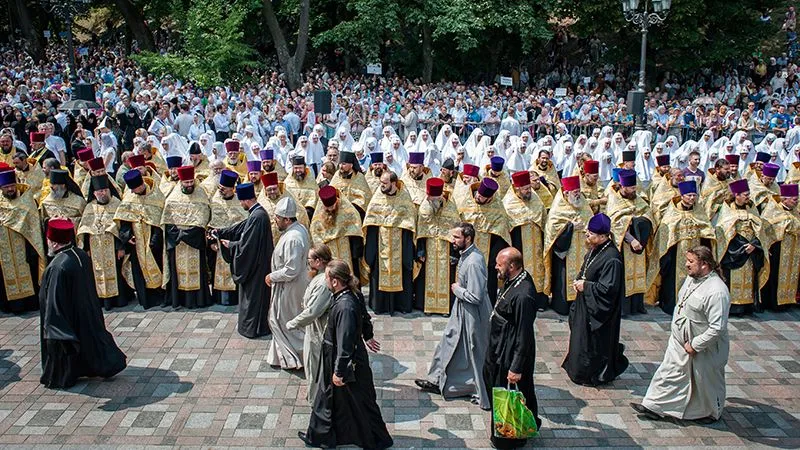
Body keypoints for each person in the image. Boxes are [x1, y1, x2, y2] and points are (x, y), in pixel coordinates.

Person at [300, 259, 392, 450]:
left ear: (335, 281)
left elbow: (345, 342)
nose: (324, 281)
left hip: (344, 361)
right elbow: (365, 317)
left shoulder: (345, 307)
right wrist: (368, 336)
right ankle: (320, 437)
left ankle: (377, 439)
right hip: (341, 358)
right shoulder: (351, 295)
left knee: (361, 401)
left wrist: (339, 371)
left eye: (326, 278)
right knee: (327, 399)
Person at [632, 246, 730, 424]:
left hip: (703, 346)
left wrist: (695, 344)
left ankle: (710, 412)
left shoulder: (717, 291)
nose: (686, 264)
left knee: (703, 380)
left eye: (691, 262)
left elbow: (717, 328)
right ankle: (653, 405)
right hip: (679, 341)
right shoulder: (692, 279)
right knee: (669, 371)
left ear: (705, 265)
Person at [39, 218, 127, 389]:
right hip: (85, 312)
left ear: (54, 243)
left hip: (68, 318)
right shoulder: (79, 254)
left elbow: (54, 301)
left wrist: (53, 328)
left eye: (49, 240)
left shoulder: (58, 266)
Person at [415, 222, 492, 409]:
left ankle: (474, 388)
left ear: (468, 238)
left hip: (473, 315)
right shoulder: (466, 255)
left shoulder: (474, 262)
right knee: (448, 343)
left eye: (456, 237)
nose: (452, 241)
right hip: (462, 310)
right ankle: (436, 379)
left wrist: (457, 290)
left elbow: (476, 296)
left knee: (472, 352)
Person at [562, 213, 629, 386]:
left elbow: (608, 290)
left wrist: (586, 286)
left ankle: (591, 374)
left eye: (590, 234)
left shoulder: (612, 259)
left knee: (593, 344)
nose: (587, 235)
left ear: (602, 236)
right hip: (585, 305)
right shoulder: (596, 249)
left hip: (598, 312)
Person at [484, 247, 540, 449]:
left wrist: (516, 367)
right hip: (501, 345)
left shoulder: (524, 296)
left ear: (513, 266)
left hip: (512, 351)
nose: (496, 267)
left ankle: (510, 438)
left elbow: (524, 334)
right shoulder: (512, 280)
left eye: (500, 264)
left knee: (512, 393)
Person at [647, 180, 716, 315]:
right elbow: (665, 234)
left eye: (694, 195)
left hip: (696, 254)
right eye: (689, 195)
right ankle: (671, 306)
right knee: (672, 282)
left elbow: (706, 229)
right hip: (675, 255)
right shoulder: (673, 213)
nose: (692, 198)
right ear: (682, 195)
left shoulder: (699, 211)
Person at [215, 182, 274, 338]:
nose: (240, 204)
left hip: (257, 266)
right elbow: (241, 227)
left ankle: (253, 329)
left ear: (246, 200)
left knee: (254, 299)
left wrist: (231, 245)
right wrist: (221, 232)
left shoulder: (257, 216)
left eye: (241, 201)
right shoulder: (257, 213)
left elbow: (248, 246)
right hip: (258, 263)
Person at [363, 171, 417, 314]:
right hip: (380, 244)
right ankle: (380, 306)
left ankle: (401, 305)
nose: (381, 186)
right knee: (379, 272)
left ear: (393, 183)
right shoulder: (377, 198)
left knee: (403, 271)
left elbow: (410, 222)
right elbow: (370, 222)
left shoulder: (404, 198)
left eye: (385, 183)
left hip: (401, 244)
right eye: (381, 182)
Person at [713, 179, 769, 315]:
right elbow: (723, 232)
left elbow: (760, 230)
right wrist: (740, 247)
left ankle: (748, 306)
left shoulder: (752, 209)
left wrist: (754, 245)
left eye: (748, 194)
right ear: (736, 195)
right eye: (745, 194)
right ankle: (733, 307)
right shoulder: (727, 211)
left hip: (750, 252)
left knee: (749, 279)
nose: (748, 197)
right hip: (734, 251)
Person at [265, 196, 309, 369]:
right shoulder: (299, 229)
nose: (275, 221)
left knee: (286, 322)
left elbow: (291, 270)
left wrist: (271, 276)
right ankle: (281, 357)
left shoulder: (293, 238)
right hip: (291, 284)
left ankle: (297, 357)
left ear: (287, 219)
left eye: (277, 218)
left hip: (291, 286)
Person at [76, 175, 132, 310]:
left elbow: (123, 227)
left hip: (113, 248)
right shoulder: (90, 207)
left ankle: (119, 300)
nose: (103, 193)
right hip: (95, 249)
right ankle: (102, 300)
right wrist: (87, 249)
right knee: (97, 273)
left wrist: (121, 247)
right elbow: (85, 230)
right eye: (99, 191)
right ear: (94, 193)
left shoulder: (117, 204)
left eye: (105, 190)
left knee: (116, 273)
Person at [287, 244, 334, 404]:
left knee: (315, 369)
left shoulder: (323, 283)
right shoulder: (320, 276)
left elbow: (313, 311)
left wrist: (292, 323)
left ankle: (317, 403)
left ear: (319, 261)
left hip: (317, 332)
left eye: (309, 259)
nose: (307, 262)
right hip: (313, 329)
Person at [161, 165, 212, 309]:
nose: (189, 185)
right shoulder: (172, 198)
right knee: (178, 272)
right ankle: (179, 300)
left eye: (191, 182)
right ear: (181, 182)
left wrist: (187, 234)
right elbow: (167, 221)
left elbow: (203, 218)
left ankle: (200, 300)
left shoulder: (201, 195)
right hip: (177, 243)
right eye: (186, 182)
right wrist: (180, 234)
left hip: (195, 242)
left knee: (198, 272)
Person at [114, 170, 166, 309]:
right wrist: (127, 236)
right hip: (136, 243)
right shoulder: (129, 199)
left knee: (158, 266)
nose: (136, 191)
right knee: (139, 271)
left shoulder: (156, 195)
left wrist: (155, 241)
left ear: (142, 184)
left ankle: (161, 296)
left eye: (137, 188)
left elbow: (160, 220)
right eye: (133, 189)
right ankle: (145, 299)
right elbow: (123, 222)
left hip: (153, 242)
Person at [457, 177, 511, 305]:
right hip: (466, 251)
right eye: (478, 195)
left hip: (488, 257)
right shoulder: (466, 202)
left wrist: (493, 259)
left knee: (488, 285)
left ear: (490, 198)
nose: (478, 198)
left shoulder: (498, 210)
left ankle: (487, 307)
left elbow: (501, 236)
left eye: (481, 197)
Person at [543, 175, 593, 315]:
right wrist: (570, 227)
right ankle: (563, 306)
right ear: (566, 193)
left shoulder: (584, 205)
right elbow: (553, 231)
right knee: (564, 279)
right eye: (574, 191)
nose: (578, 193)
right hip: (566, 253)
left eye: (578, 190)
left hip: (583, 249)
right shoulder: (558, 209)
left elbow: (590, 220)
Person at [607, 170, 653, 316]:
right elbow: (614, 224)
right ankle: (624, 308)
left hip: (640, 243)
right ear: (622, 186)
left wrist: (639, 222)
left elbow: (649, 214)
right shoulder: (614, 201)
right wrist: (631, 238)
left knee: (638, 273)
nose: (634, 191)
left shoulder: (638, 199)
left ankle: (637, 306)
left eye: (635, 188)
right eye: (631, 188)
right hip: (624, 245)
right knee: (623, 276)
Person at [0, 168, 45, 313]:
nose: (10, 189)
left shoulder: (27, 200)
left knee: (28, 273)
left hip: (24, 248)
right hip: (4, 249)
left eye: (12, 186)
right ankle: (8, 306)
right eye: (6, 187)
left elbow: (34, 226)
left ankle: (30, 304)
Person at [414, 178, 461, 313]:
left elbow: (456, 232)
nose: (431, 202)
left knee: (446, 278)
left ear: (440, 196)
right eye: (429, 199)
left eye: (434, 199)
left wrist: (454, 253)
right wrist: (421, 251)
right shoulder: (424, 207)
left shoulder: (451, 208)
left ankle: (445, 308)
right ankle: (425, 306)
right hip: (429, 248)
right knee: (426, 277)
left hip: (446, 250)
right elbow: (421, 231)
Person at [504, 170, 547, 308]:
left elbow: (543, 218)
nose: (529, 191)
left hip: (536, 243)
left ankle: (538, 298)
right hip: (518, 242)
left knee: (537, 270)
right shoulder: (508, 202)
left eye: (529, 188)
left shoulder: (535, 199)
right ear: (517, 189)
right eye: (525, 189)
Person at [207, 170, 248, 306]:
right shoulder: (214, 201)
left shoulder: (240, 202)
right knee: (217, 270)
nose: (221, 191)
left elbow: (245, 223)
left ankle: (235, 299)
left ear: (232, 189)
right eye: (219, 188)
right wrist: (212, 242)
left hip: (235, 243)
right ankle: (220, 298)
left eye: (224, 189)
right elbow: (209, 222)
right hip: (218, 245)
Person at [310, 185, 364, 280]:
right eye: (327, 208)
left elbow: (356, 231)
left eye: (332, 206)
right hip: (329, 253)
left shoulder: (348, 211)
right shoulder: (318, 218)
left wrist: (356, 253)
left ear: (337, 201)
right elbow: (316, 236)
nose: (330, 210)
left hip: (348, 253)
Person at [760, 183, 800, 310]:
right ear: (785, 199)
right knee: (775, 275)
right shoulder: (773, 210)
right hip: (777, 249)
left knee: (791, 275)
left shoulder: (795, 212)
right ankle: (773, 303)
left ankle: (787, 300)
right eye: (794, 199)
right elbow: (765, 228)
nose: (797, 202)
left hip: (793, 249)